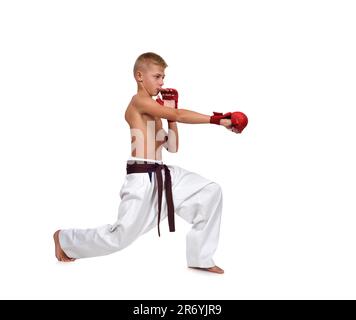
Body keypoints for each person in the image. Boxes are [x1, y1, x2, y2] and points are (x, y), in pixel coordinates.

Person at [54, 52, 248, 274]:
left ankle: (200, 258)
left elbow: (172, 147)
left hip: (164, 173)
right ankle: (64, 238)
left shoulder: (155, 111)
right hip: (142, 177)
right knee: (120, 237)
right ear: (139, 76)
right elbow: (179, 114)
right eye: (157, 76)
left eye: (163, 77)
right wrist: (219, 119)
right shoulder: (139, 102)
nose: (162, 82)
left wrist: (170, 117)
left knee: (210, 192)